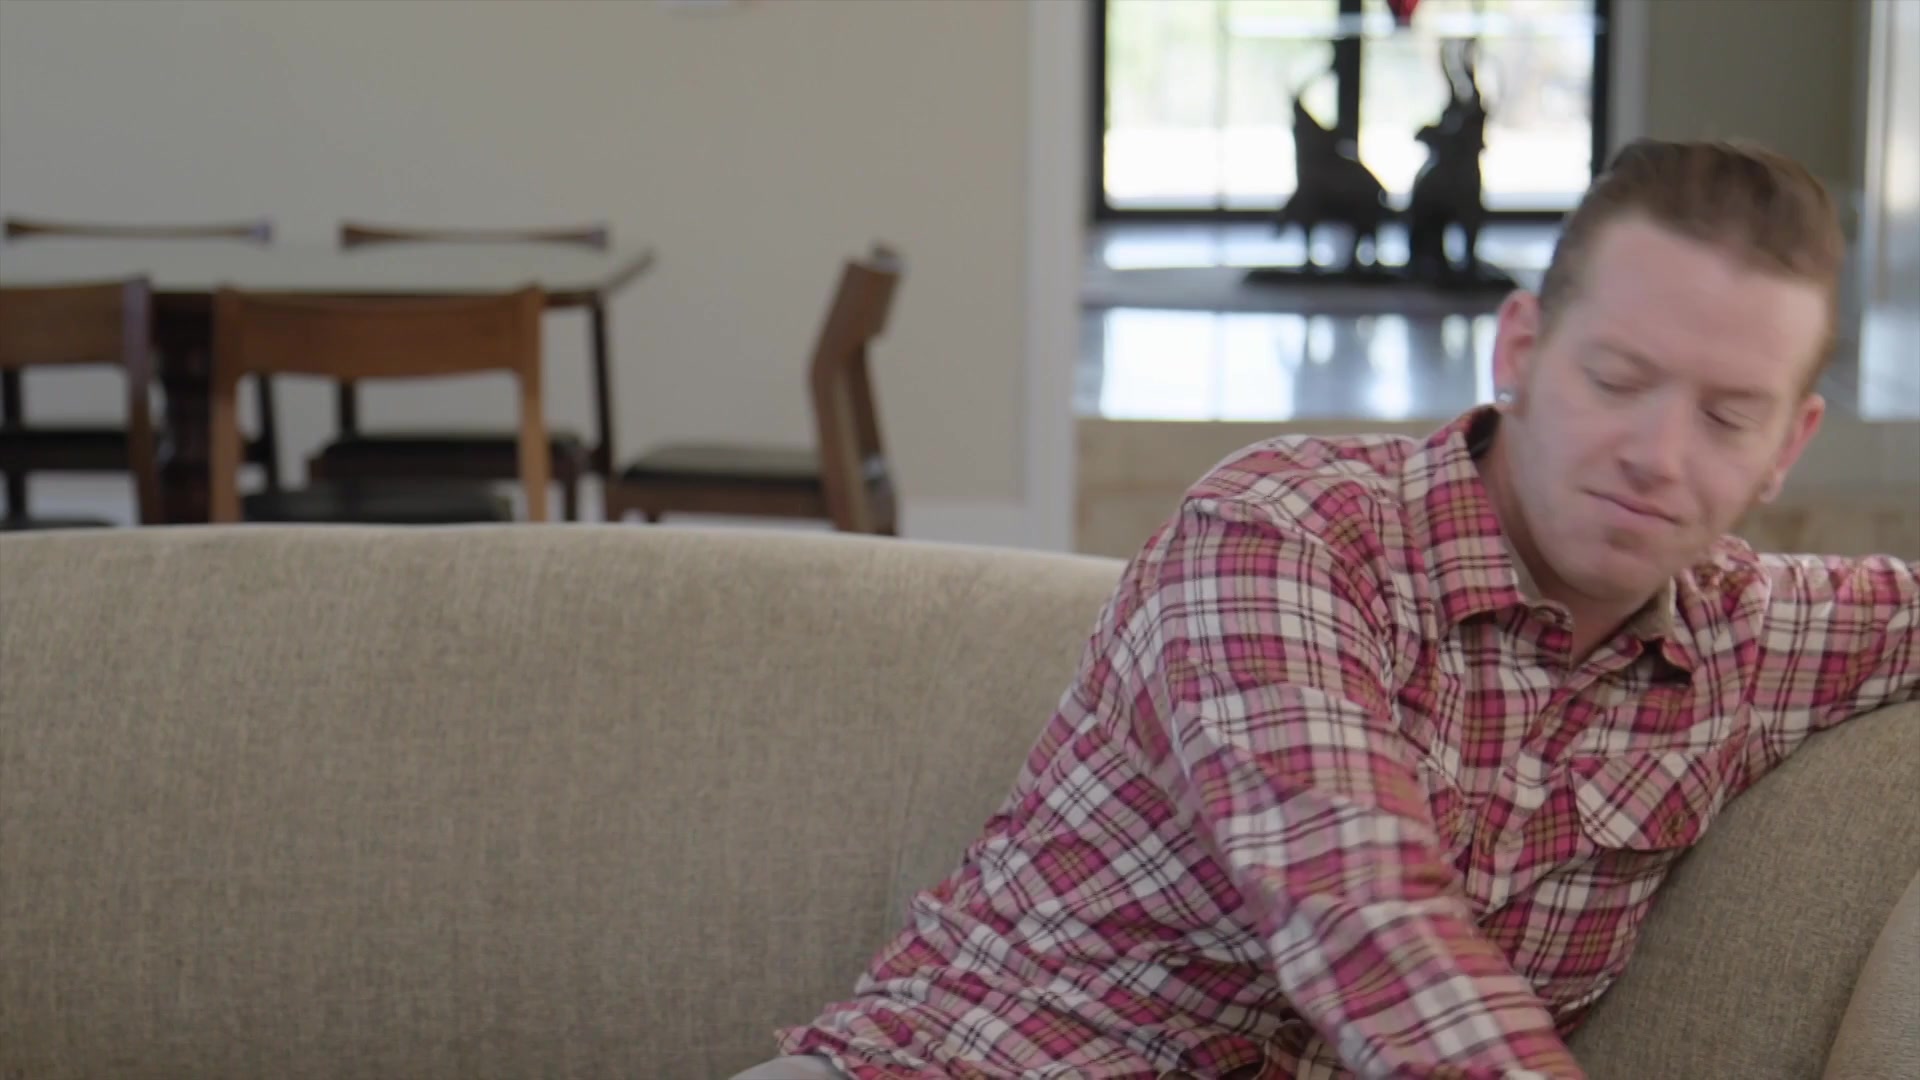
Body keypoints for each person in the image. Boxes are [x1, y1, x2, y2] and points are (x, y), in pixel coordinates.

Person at [735, 139, 1920, 1079]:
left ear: (1787, 447)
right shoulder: (1283, 538)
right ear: (1520, 350)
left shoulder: (1745, 638)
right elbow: (1366, 922)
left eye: (1726, 417)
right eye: (1617, 378)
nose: (1657, 454)